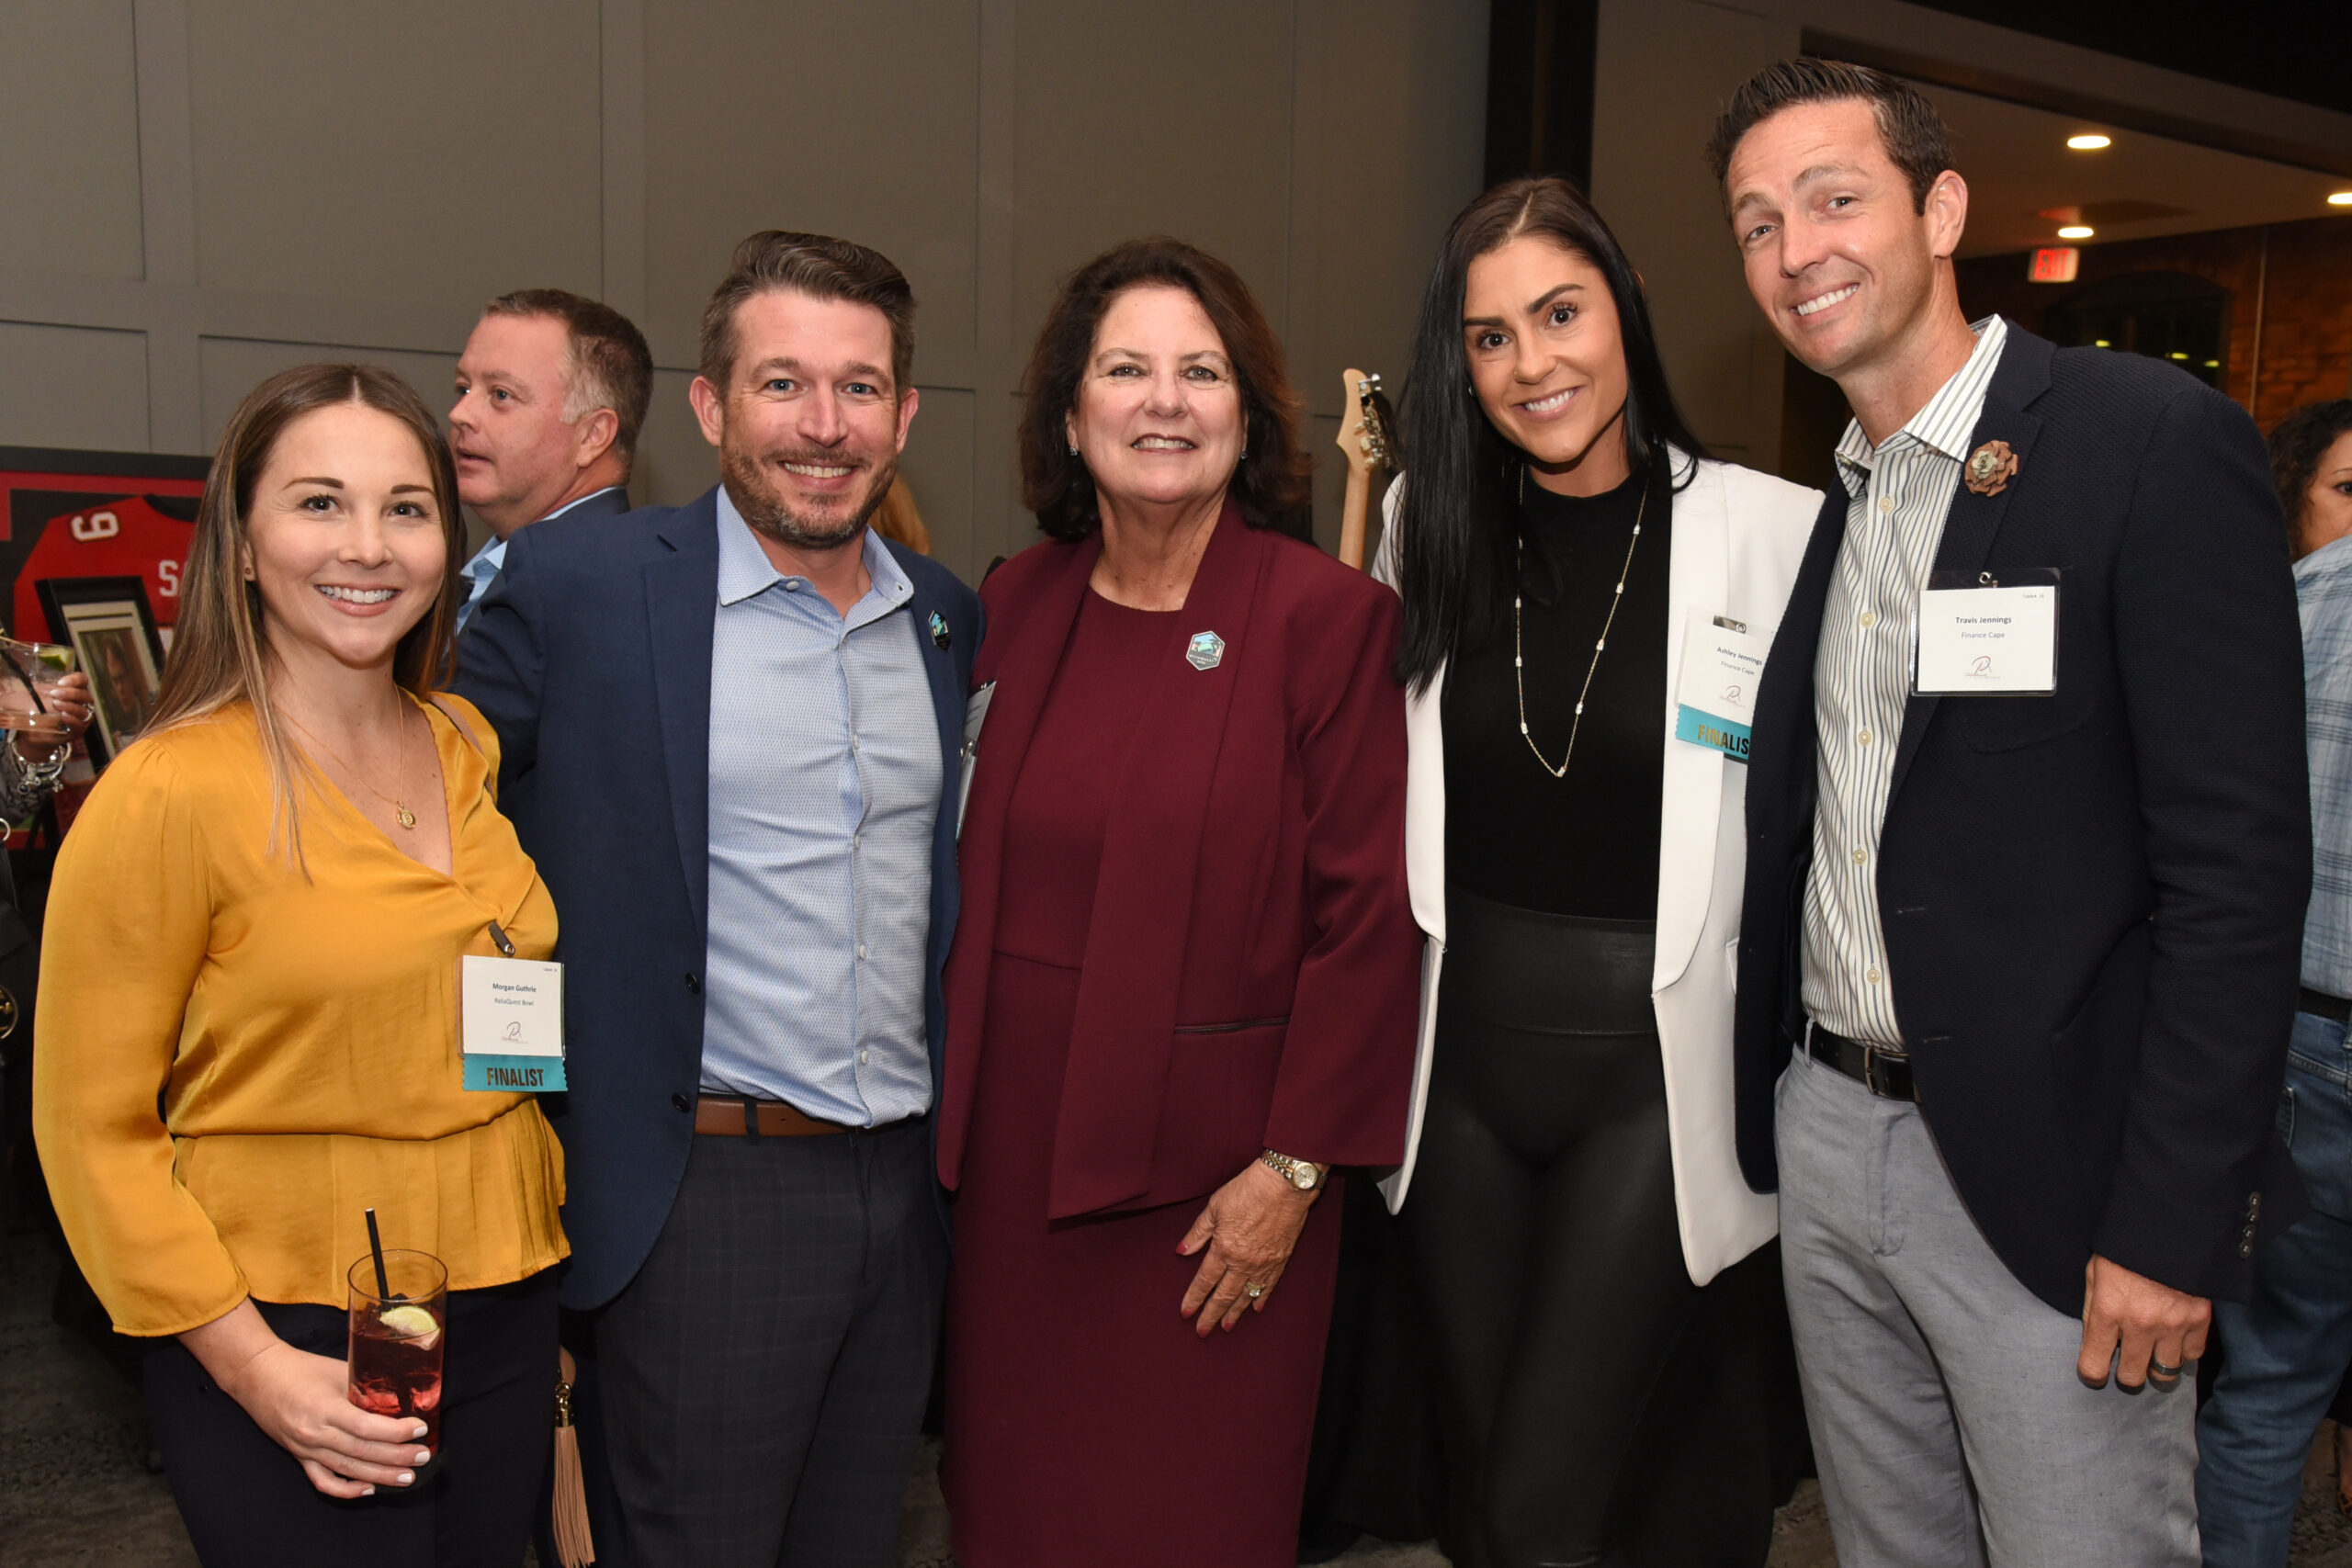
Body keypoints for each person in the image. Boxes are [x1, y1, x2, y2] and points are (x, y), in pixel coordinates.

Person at [1714, 59, 2311, 1566]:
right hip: (1831, 1130)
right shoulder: (1845, 500)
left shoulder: (2144, 439)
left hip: (2056, 1172)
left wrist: (2174, 1217)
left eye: (1835, 200)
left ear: (1942, 210)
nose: (1796, 250)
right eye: (1759, 223)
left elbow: (2237, 874)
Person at [457, 230, 979, 1568]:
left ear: (905, 416)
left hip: (901, 1194)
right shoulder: (581, 590)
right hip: (700, 1194)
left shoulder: (943, 617)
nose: (824, 424)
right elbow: (437, 834)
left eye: (860, 388)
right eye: (782, 383)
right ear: (710, 404)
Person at [936, 236, 1420, 1568]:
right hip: (1010, 1183)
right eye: (1126, 369)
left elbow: (1370, 920)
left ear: (1248, 415)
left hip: (1217, 1196)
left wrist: (1295, 1168)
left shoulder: (1326, 621)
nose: (1164, 401)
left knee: (1185, 1521)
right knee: (1012, 1517)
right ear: (1070, 413)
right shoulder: (1014, 602)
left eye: (1201, 372)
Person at [33, 363, 567, 1564]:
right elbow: (89, 1126)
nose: (368, 546)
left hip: (506, 1297)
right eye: (320, 502)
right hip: (287, 1322)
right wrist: (252, 1365)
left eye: (406, 508)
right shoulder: (170, 790)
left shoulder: (463, 741)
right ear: (240, 545)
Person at [1371, 176, 1820, 1567]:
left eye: (1560, 314)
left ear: (1624, 311)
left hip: (1653, 1078)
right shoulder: (1423, 521)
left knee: (1540, 1507)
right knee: (1487, 1497)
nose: (1531, 362)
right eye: (1489, 337)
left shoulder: (1775, 527)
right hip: (1457, 1076)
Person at [2197, 397, 2352, 1566]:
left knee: (2266, 1381)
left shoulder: (2271, 621)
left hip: (2298, 1045)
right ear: (2290, 497)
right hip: (2300, 1045)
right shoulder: (2268, 620)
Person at [449, 288, 653, 629]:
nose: (459, 413)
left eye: (501, 394)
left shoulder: (600, 598)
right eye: (463, 389)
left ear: (592, 436)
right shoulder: (504, 571)